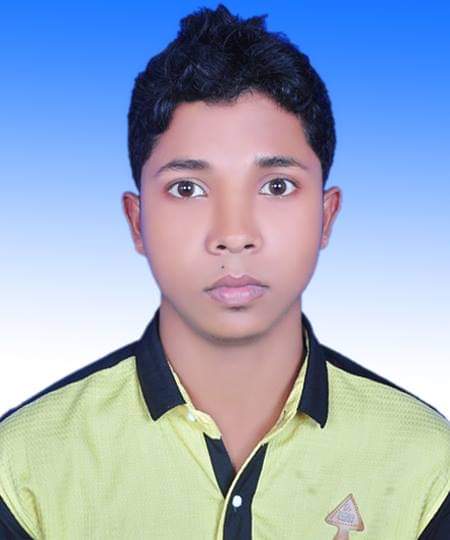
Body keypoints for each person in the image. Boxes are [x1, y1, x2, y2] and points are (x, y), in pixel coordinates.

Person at [1, 3, 449, 538]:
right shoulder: (23, 469)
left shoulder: (428, 466)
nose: (234, 234)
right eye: (188, 188)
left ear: (326, 216)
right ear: (137, 222)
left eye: (276, 186)